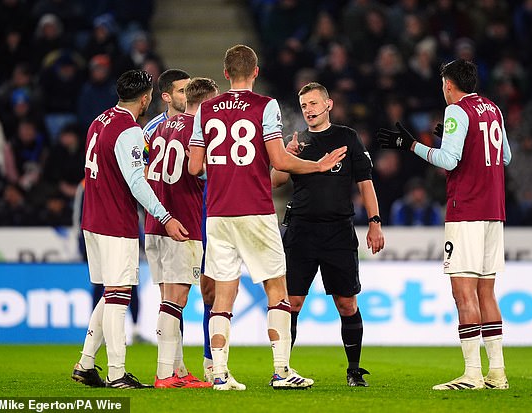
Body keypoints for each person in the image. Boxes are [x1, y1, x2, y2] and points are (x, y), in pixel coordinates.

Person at [188, 44, 346, 390]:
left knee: (223, 296)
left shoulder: (206, 110)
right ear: (256, 72)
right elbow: (280, 161)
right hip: (256, 210)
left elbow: (195, 166)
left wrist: (222, 172)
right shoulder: (265, 105)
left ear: (226, 73)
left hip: (217, 213)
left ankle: (221, 374)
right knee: (278, 290)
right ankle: (281, 371)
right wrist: (318, 165)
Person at [378, 59, 511, 390]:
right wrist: (458, 141)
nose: (442, 90)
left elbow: (447, 160)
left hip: (466, 209)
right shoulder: (492, 108)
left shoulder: (457, 111)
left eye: (442, 84)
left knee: (463, 292)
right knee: (486, 291)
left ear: (449, 85)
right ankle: (497, 372)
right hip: (494, 211)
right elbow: (504, 156)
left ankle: (471, 375)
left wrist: (412, 145)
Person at [71, 69, 188, 389]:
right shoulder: (129, 130)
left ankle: (85, 363)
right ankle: (117, 373)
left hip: (92, 220)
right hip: (114, 222)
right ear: (146, 97)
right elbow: (137, 182)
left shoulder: (100, 120)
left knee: (111, 291)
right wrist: (165, 216)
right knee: (119, 294)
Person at [271, 81, 385, 387]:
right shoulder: (298, 143)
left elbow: (365, 182)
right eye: (304, 105)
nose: (308, 110)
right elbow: (274, 182)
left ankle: (354, 370)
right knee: (291, 303)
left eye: (313, 103)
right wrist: (286, 155)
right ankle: (282, 369)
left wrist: (374, 221)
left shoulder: (346, 137)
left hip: (338, 232)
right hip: (301, 232)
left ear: (328, 104)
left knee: (346, 303)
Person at [145, 77, 219, 389]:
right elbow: (198, 169)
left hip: (155, 222)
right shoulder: (198, 131)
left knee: (168, 298)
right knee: (175, 300)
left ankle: (176, 370)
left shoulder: (160, 128)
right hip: (183, 224)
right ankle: (165, 375)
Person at [142, 69, 191, 162]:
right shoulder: (151, 131)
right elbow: (144, 167)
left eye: (190, 89)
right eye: (182, 91)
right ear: (166, 97)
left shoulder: (202, 124)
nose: (189, 95)